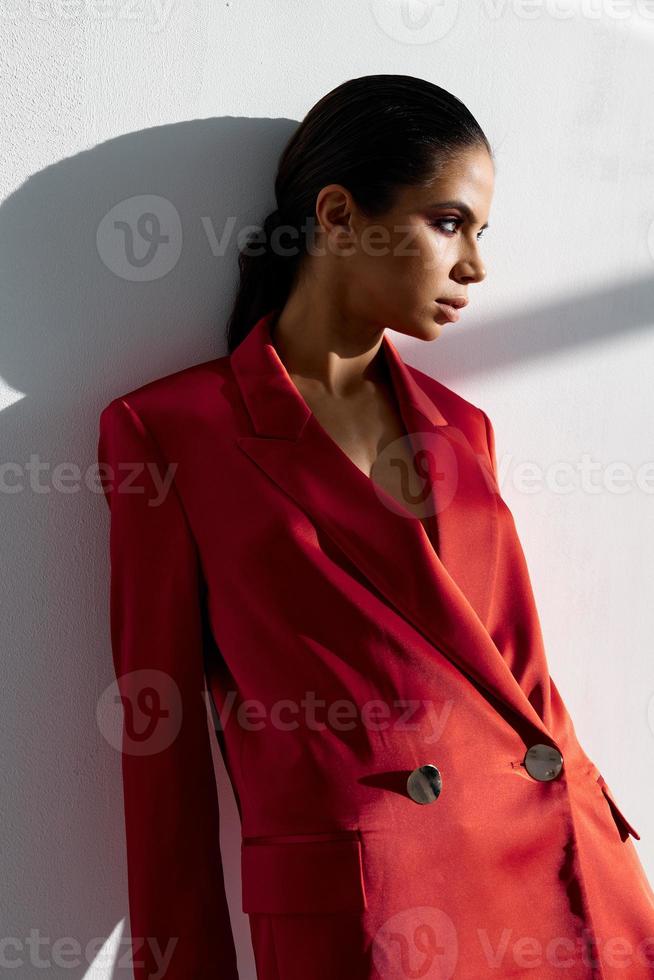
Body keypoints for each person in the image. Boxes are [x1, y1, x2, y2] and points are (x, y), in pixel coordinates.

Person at [97, 74, 654, 980]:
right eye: (447, 223)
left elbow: (518, 682)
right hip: (380, 909)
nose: (475, 268)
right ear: (339, 215)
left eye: (481, 234)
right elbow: (160, 752)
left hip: (569, 878)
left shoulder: (463, 429)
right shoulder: (171, 433)